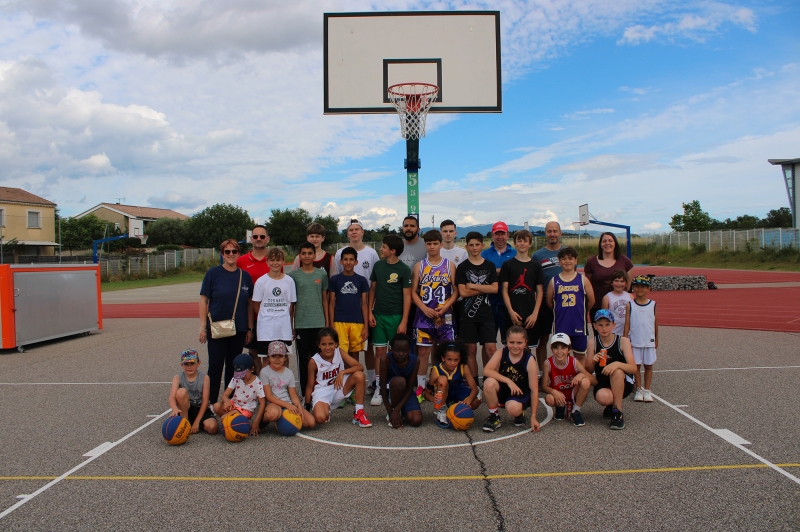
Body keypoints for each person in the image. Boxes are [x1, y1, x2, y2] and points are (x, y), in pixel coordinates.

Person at [199, 239, 254, 402]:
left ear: (238, 254)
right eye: (227, 252)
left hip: (239, 328)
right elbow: (203, 300)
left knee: (234, 366)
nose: (231, 255)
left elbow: (250, 304)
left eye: (234, 251)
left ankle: (229, 400)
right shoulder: (213, 274)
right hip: (217, 328)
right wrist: (203, 327)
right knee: (215, 366)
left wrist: (250, 328)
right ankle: (211, 402)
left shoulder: (245, 276)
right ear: (222, 254)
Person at [411, 229, 459, 402]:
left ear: (440, 244)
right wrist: (424, 308)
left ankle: (446, 385)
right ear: (425, 245)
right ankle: (422, 388)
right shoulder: (420, 266)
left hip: (444, 317)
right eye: (429, 244)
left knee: (445, 352)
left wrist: (446, 306)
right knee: (423, 353)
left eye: (435, 243)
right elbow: (413, 292)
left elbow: (456, 291)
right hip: (424, 317)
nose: (432, 246)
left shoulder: (449, 265)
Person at [333, 219, 380, 395]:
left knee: (366, 347)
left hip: (367, 305)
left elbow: (374, 280)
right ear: (347, 233)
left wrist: (370, 308)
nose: (354, 232)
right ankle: (347, 386)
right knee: (347, 351)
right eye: (350, 229)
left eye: (357, 229)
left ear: (362, 232)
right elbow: (339, 276)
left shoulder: (371, 253)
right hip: (346, 308)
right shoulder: (339, 253)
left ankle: (372, 381)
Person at [368, 234, 412, 406]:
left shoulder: (404, 269)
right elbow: (372, 290)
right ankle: (379, 387)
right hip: (378, 315)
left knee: (396, 354)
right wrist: (370, 312)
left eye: (384, 246)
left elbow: (407, 297)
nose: (381, 248)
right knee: (379, 352)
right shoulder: (378, 266)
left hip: (396, 316)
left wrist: (404, 321)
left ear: (392, 251)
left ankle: (394, 385)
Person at [306, 328, 372, 428]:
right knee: (320, 418)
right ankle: (325, 408)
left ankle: (359, 413)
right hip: (322, 391)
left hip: (339, 387)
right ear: (319, 345)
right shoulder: (314, 361)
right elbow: (310, 385)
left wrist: (342, 372)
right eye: (323, 344)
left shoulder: (339, 352)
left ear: (336, 343)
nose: (327, 347)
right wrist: (306, 408)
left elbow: (359, 367)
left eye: (331, 343)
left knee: (359, 375)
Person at [455, 231, 498, 385]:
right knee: (470, 351)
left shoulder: (489, 266)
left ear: (482, 245)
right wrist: (485, 287)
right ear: (467, 246)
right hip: (467, 315)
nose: (474, 248)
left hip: (486, 314)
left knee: (491, 349)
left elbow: (495, 289)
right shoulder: (462, 267)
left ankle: (490, 380)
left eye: (477, 245)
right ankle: (474, 385)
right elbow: (463, 292)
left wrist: (473, 285)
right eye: (471, 245)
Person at [499, 229, 544, 371]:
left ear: (530, 244)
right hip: (512, 314)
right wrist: (511, 311)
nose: (522, 243)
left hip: (530, 314)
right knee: (512, 347)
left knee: (528, 348)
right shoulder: (508, 265)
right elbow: (505, 290)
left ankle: (527, 377)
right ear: (515, 243)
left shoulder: (535, 265)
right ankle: (511, 376)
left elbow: (540, 291)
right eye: (519, 240)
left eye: (525, 241)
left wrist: (535, 313)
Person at [584, 310, 637, 430]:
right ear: (595, 326)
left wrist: (617, 364)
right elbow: (588, 369)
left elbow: (633, 368)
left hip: (622, 382)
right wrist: (592, 361)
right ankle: (610, 405)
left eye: (607, 324)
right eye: (600, 325)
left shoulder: (623, 341)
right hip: (603, 381)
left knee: (617, 371)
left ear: (614, 325)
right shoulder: (593, 343)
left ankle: (617, 411)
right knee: (602, 397)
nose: (604, 328)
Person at [481, 326, 541, 433]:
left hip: (520, 391)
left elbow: (534, 390)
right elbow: (487, 371)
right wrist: (509, 381)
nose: (515, 346)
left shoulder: (529, 360)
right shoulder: (502, 352)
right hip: (505, 387)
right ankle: (494, 417)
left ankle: (520, 413)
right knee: (489, 382)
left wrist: (533, 417)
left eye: (519, 342)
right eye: (511, 342)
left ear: (525, 342)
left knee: (512, 409)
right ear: (506, 341)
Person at [289, 241, 330, 393]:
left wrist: (327, 322)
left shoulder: (322, 273)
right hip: (301, 324)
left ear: (314, 255)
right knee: (304, 360)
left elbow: (325, 298)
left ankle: (319, 390)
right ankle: (304, 390)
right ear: (299, 255)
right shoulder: (293, 275)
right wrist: (291, 325)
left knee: (318, 359)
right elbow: (292, 303)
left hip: (318, 323)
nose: (306, 256)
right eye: (303, 253)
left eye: (309, 253)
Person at [251, 247, 296, 371]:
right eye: (272, 260)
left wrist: (290, 324)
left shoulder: (289, 281)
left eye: (278, 260)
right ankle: (267, 388)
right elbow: (256, 305)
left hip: (283, 326)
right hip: (266, 327)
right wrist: (268, 314)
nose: (275, 263)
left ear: (283, 261)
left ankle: (283, 386)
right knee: (267, 358)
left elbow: (291, 305)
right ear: (267, 262)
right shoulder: (261, 282)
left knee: (284, 357)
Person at [546, 246, 595, 361]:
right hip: (561, 325)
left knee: (580, 356)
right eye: (563, 258)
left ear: (576, 260)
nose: (567, 261)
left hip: (579, 325)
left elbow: (591, 300)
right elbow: (549, 302)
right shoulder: (554, 281)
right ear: (559, 261)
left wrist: (582, 311)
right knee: (561, 356)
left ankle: (580, 378)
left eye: (570, 258)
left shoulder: (583, 279)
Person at [540, 334, 595, 427]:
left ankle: (575, 410)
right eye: (556, 348)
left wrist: (581, 375)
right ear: (551, 348)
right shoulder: (548, 363)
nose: (559, 351)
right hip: (559, 393)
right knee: (549, 398)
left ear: (569, 349)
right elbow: (544, 386)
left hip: (573, 392)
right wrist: (554, 392)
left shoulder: (574, 362)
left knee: (585, 381)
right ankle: (560, 407)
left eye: (563, 348)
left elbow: (594, 381)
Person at [424, 341, 481, 427]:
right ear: (443, 358)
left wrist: (468, 403)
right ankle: (441, 410)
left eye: (456, 360)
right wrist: (432, 398)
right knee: (442, 379)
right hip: (444, 394)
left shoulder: (463, 367)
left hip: (459, 390)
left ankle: (454, 404)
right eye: (449, 359)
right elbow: (426, 394)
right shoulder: (436, 370)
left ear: (460, 359)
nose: (453, 363)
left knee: (475, 402)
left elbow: (474, 389)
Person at [260, 341, 315, 429]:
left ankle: (282, 419)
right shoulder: (265, 372)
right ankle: (262, 423)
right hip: (273, 404)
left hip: (287, 403)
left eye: (280, 356)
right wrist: (287, 405)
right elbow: (269, 396)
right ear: (268, 358)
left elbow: (293, 395)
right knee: (272, 414)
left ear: (285, 357)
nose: (277, 359)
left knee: (310, 422)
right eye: (273, 356)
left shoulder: (289, 373)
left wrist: (299, 406)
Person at [328, 246, 370, 362]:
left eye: (351, 259)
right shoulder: (335, 280)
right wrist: (331, 324)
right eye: (345, 259)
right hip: (339, 321)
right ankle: (343, 378)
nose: (348, 262)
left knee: (355, 354)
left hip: (357, 321)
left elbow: (364, 305)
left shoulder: (361, 280)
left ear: (356, 262)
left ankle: (354, 378)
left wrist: (366, 326)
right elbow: (331, 303)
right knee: (341, 354)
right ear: (341, 261)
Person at [238, 225, 272, 367]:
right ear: (251, 239)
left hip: (270, 314)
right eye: (256, 236)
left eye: (262, 236)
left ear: (267, 239)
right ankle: (258, 384)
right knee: (254, 352)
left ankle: (269, 385)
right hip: (251, 315)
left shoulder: (273, 260)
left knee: (271, 352)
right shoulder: (241, 261)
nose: (259, 239)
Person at [583, 232, 633, 325]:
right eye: (604, 241)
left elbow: (628, 282)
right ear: (600, 244)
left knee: (622, 335)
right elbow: (588, 284)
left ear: (615, 243)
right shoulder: (592, 262)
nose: (607, 243)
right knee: (601, 336)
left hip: (619, 306)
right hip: (597, 305)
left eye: (610, 240)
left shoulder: (625, 261)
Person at [532, 221, 563, 366]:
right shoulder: (538, 255)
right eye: (549, 231)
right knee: (543, 338)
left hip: (564, 303)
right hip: (544, 302)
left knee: (563, 339)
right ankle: (543, 372)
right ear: (545, 233)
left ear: (560, 233)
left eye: (555, 231)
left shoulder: (567, 253)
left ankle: (562, 370)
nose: (552, 234)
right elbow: (534, 281)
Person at [212, 353, 266, 437]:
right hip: (234, 405)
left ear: (252, 368)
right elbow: (225, 395)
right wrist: (226, 402)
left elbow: (262, 403)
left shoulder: (257, 383)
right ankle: (234, 423)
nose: (241, 377)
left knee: (223, 418)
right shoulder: (236, 378)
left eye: (243, 373)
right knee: (216, 406)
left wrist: (256, 422)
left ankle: (238, 423)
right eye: (239, 374)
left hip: (245, 410)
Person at [624, 275, 658, 402]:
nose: (640, 289)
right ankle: (638, 388)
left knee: (648, 365)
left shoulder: (653, 304)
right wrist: (624, 340)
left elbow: (655, 323)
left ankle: (647, 390)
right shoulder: (630, 305)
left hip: (649, 340)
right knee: (636, 366)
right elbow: (627, 324)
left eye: (643, 286)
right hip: (635, 340)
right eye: (637, 286)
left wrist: (656, 339)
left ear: (648, 289)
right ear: (633, 288)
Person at [481, 221, 516, 345]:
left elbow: (517, 274)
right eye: (497, 234)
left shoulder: (515, 253)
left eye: (503, 234)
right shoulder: (484, 254)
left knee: (510, 342)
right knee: (488, 342)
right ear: (492, 235)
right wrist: (506, 271)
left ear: (508, 234)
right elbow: (482, 274)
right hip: (489, 303)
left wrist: (494, 271)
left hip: (510, 303)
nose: (500, 237)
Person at [167, 349, 218, 434]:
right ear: (181, 365)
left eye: (192, 363)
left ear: (198, 363)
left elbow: (205, 402)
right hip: (185, 408)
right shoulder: (177, 378)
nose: (189, 367)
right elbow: (172, 397)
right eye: (186, 364)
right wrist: (175, 409)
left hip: (200, 408)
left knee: (213, 428)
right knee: (181, 392)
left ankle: (197, 423)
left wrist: (197, 422)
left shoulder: (205, 378)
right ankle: (185, 422)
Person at [379, 333, 423, 429]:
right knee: (400, 381)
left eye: (404, 351)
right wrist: (391, 412)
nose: (401, 353)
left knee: (416, 420)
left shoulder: (415, 361)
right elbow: (382, 388)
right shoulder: (385, 359)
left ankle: (401, 410)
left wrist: (397, 410)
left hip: (406, 392)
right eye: (397, 350)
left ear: (409, 350)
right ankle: (394, 407)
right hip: (391, 389)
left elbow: (410, 388)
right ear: (391, 349)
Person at [397, 215, 428, 341]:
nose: (408, 228)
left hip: (419, 299)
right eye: (406, 226)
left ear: (418, 229)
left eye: (412, 226)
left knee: (419, 339)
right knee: (401, 337)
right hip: (400, 299)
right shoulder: (397, 245)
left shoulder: (426, 245)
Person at [602, 270, 633, 336]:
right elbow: (604, 318)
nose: (619, 284)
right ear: (611, 282)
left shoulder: (630, 296)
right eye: (616, 281)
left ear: (626, 283)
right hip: (614, 333)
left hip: (629, 333)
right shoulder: (607, 298)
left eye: (622, 281)